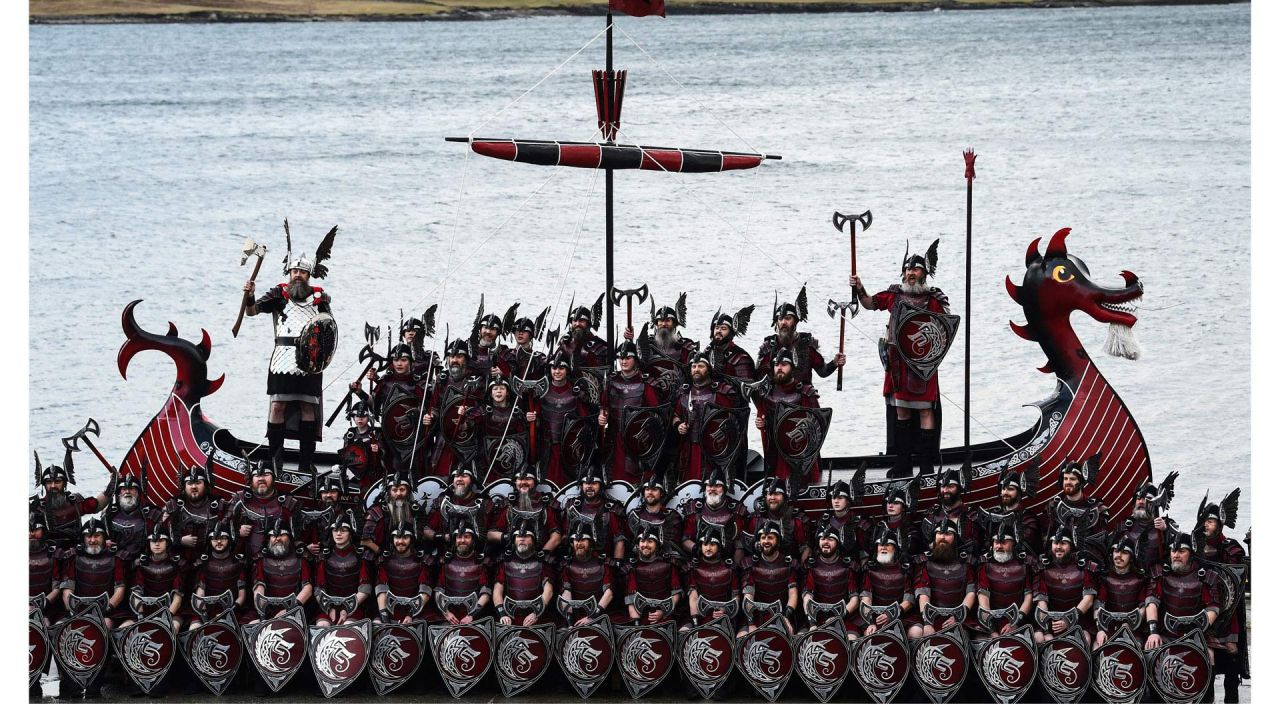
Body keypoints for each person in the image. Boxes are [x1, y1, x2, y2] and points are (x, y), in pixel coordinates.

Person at [851, 240, 950, 477]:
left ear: (924, 273)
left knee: (926, 410)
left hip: (922, 365)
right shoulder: (894, 295)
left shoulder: (933, 299)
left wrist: (929, 354)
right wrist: (859, 287)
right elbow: (868, 303)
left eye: (915, 269)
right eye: (908, 269)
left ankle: (926, 466)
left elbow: (947, 327)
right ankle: (903, 463)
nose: (910, 273)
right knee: (901, 410)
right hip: (897, 364)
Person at [243, 226, 337, 473]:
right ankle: (276, 462)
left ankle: (306, 464)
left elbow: (328, 333)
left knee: (308, 408)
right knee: (277, 407)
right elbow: (251, 312)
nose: (298, 275)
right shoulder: (278, 295)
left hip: (311, 361)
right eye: (294, 271)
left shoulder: (320, 299)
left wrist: (321, 358)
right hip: (282, 360)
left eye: (302, 272)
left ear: (309, 275)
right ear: (289, 272)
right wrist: (250, 296)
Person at [1146, 532, 1222, 700]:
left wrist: (1197, 631)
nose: (1176, 555)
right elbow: (1151, 602)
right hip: (1166, 630)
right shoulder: (1161, 573)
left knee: (1208, 654)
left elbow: (1213, 607)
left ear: (1191, 552)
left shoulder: (1205, 575)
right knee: (1150, 649)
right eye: (1173, 551)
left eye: (1181, 551)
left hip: (1198, 630)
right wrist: (1153, 631)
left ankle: (1204, 702)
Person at [58, 518, 126, 698]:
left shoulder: (115, 559)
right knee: (60, 630)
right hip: (77, 610)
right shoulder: (74, 558)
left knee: (104, 628)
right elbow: (67, 589)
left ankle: (96, 683)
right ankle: (68, 684)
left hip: (106, 612)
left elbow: (120, 589)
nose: (92, 540)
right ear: (83, 538)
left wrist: (108, 607)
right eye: (88, 536)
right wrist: (72, 609)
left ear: (104, 538)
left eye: (97, 536)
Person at [1195, 488, 1248, 704]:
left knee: (1231, 667)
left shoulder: (1231, 548)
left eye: (1211, 521)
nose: (1207, 525)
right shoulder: (1195, 548)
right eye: (1204, 521)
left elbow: (1234, 580)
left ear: (1220, 523)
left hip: (1230, 615)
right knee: (1207, 664)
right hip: (1206, 612)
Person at [752, 349, 824, 485]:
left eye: (784, 364)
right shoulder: (767, 394)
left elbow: (818, 423)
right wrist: (762, 424)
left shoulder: (805, 392)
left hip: (800, 452)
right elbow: (763, 418)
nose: (779, 368)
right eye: (776, 365)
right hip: (775, 451)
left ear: (792, 367)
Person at [672, 350, 745, 482]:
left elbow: (734, 420)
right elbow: (675, 415)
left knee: (711, 482)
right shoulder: (684, 392)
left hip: (713, 450)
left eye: (701, 366)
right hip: (688, 449)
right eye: (694, 367)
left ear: (708, 369)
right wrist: (678, 425)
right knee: (688, 484)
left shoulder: (722, 392)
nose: (696, 369)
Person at [529, 350, 595, 486]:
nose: (557, 371)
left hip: (569, 449)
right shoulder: (542, 391)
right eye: (554, 368)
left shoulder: (576, 392)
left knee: (567, 483)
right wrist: (530, 417)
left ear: (567, 370)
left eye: (561, 368)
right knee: (546, 482)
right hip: (546, 447)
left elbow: (584, 420)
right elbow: (534, 414)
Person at [600, 340, 663, 483]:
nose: (624, 361)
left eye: (628, 358)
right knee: (611, 478)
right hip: (614, 438)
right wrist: (602, 416)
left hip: (637, 440)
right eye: (621, 358)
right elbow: (604, 406)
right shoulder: (610, 381)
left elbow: (656, 414)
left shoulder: (646, 383)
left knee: (634, 478)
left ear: (636, 359)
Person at [755, 287, 845, 386]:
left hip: (803, 398)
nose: (783, 322)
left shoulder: (808, 344)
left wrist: (834, 363)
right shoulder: (768, 347)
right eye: (780, 319)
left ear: (796, 321)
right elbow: (758, 379)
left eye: (788, 318)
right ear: (776, 322)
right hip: (775, 399)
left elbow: (822, 372)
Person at [365, 343, 429, 474]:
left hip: (413, 439)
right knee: (390, 469)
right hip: (389, 436)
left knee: (415, 471)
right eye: (396, 360)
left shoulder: (419, 384)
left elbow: (429, 408)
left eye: (403, 360)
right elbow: (374, 408)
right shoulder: (385, 382)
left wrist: (428, 416)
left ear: (410, 362)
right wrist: (359, 391)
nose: (399, 363)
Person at [425, 340, 485, 477]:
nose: (454, 360)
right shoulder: (442, 380)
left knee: (467, 476)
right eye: (451, 356)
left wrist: (469, 415)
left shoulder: (476, 380)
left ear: (466, 358)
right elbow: (434, 406)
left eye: (459, 356)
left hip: (468, 438)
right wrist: (431, 416)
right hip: (445, 437)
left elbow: (484, 408)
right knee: (440, 475)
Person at [30, 450, 108, 550]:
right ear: (44, 485)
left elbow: (98, 505)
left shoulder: (74, 502)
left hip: (75, 553)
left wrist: (113, 483)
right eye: (49, 482)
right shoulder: (35, 507)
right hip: (48, 556)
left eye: (57, 481)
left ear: (65, 484)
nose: (53, 486)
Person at [1039, 456, 1111, 564]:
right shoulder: (1053, 507)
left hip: (1086, 566)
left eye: (1072, 479)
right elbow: (1047, 540)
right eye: (1065, 478)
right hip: (1058, 564)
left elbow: (1099, 544)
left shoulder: (1096, 508)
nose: (1068, 482)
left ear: (1081, 482)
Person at [858, 523, 923, 639]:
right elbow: (866, 599)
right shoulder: (869, 570)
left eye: (887, 545)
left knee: (916, 632)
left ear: (895, 548)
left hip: (902, 616)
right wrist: (871, 622)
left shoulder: (904, 569)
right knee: (870, 634)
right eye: (880, 545)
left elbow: (909, 600)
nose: (883, 547)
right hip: (875, 617)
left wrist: (891, 613)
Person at [1033, 527, 1096, 643]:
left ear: (1072, 545)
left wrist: (1069, 620)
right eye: (1055, 543)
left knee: (1084, 639)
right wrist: (1046, 627)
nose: (1058, 547)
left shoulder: (1084, 567)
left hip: (1078, 621)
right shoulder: (1043, 567)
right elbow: (1042, 600)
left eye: (1063, 543)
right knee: (1040, 638)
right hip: (1051, 621)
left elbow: (1088, 600)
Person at [914, 518, 975, 637]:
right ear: (934, 537)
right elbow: (923, 593)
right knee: (916, 634)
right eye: (939, 533)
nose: (943, 537)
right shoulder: (924, 562)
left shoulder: (966, 562)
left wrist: (958, 616)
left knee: (961, 636)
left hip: (959, 616)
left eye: (948, 534)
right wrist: (927, 622)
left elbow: (971, 593)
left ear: (955, 538)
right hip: (929, 616)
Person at [974, 521, 1034, 639]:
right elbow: (983, 598)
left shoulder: (1025, 564)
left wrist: (1016, 623)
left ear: (1013, 543)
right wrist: (991, 629)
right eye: (996, 542)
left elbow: (1028, 597)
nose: (999, 546)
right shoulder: (985, 564)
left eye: (1003, 542)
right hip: (990, 622)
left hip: (1019, 621)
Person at [228, 459, 298, 560]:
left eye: (265, 475)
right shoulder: (239, 499)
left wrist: (305, 546)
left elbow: (298, 534)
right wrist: (236, 530)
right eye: (257, 476)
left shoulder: (288, 502)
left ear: (273, 478)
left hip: (280, 561)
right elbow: (220, 528)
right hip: (246, 559)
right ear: (251, 480)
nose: (261, 479)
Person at [311, 511, 371, 626]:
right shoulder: (324, 556)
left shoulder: (360, 556)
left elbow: (365, 589)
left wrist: (347, 609)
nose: (338, 534)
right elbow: (319, 589)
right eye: (335, 530)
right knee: (322, 627)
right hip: (327, 606)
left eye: (343, 530)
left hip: (354, 607)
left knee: (348, 627)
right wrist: (329, 608)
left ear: (350, 533)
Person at [1110, 474, 1178, 573]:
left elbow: (1180, 553)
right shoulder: (1123, 526)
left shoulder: (1167, 524)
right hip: (1130, 577)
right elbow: (1110, 553)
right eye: (1138, 498)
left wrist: (1166, 530)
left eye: (1146, 498)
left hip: (1156, 579)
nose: (1141, 502)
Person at [249, 519, 312, 625]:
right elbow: (259, 589)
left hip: (296, 611)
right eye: (273, 536)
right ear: (269, 539)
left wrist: (290, 610)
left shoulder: (301, 558)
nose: (277, 539)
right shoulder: (261, 559)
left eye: (282, 535)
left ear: (289, 537)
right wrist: (262, 614)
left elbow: (307, 588)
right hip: (268, 612)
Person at [1093, 535, 1151, 650]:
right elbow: (1098, 605)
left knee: (1137, 650)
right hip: (1108, 629)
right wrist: (1100, 630)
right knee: (1097, 648)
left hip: (1133, 631)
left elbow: (1143, 606)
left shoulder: (1140, 579)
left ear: (1131, 556)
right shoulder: (1104, 577)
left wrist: (1130, 625)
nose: (1118, 556)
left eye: (1124, 552)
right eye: (1116, 551)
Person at [802, 523, 860, 638]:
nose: (825, 542)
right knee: (802, 639)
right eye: (822, 539)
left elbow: (854, 600)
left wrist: (838, 618)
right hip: (816, 619)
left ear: (838, 543)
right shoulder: (811, 566)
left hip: (843, 619)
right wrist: (812, 622)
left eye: (830, 539)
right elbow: (807, 596)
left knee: (851, 639)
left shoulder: (847, 566)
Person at [740, 520, 798, 635]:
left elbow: (793, 593)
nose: (766, 541)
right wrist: (751, 623)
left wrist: (786, 617)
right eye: (763, 538)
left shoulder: (789, 564)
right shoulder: (750, 564)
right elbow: (748, 595)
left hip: (781, 615)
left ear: (778, 540)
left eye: (770, 538)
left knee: (787, 635)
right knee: (742, 637)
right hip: (754, 616)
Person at [493, 523, 556, 627]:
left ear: (533, 540)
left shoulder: (543, 562)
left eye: (526, 536)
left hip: (537, 618)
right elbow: (497, 591)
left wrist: (536, 613)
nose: (522, 539)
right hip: (509, 617)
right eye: (518, 536)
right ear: (514, 540)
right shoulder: (505, 562)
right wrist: (502, 614)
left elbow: (548, 591)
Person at [560, 465, 628, 562]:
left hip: (604, 563)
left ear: (601, 485)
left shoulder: (611, 509)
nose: (589, 487)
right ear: (581, 485)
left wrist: (617, 564)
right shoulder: (572, 506)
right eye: (586, 483)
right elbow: (564, 536)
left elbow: (619, 540)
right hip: (575, 561)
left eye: (594, 483)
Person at [489, 465, 563, 555]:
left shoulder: (546, 504)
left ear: (535, 481)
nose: (523, 482)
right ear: (515, 482)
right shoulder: (508, 504)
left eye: (528, 479)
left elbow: (556, 536)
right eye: (519, 479)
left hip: (541, 557)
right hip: (512, 557)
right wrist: (508, 537)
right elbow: (490, 534)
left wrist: (543, 554)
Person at [161, 464, 224, 566]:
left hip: (212, 561)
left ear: (206, 485)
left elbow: (229, 531)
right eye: (190, 483)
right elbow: (159, 531)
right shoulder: (173, 505)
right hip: (180, 561)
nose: (194, 486)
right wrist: (179, 540)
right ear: (184, 486)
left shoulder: (219, 505)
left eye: (198, 483)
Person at [970, 465, 1041, 556]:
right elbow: (985, 543)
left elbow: (1027, 546)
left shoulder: (1028, 518)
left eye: (1010, 489)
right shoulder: (992, 514)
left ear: (1019, 492)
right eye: (1003, 489)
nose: (1005, 493)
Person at [680, 471, 748, 565]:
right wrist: (699, 550)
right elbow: (685, 539)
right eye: (709, 486)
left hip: (727, 564)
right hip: (699, 563)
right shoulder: (695, 509)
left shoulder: (735, 510)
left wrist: (735, 568)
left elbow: (739, 545)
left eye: (717, 486)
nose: (712, 489)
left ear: (724, 488)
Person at [471, 376, 531, 483]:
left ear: (507, 392)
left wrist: (530, 419)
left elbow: (524, 438)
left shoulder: (516, 412)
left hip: (511, 459)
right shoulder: (482, 410)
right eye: (495, 389)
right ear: (490, 393)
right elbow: (467, 425)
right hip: (488, 460)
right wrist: (464, 414)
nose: (498, 391)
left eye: (502, 388)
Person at [125, 526, 184, 634]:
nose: (157, 544)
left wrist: (167, 617)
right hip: (143, 612)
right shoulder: (141, 564)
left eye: (161, 541)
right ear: (149, 543)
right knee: (124, 629)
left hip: (171, 613)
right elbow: (136, 594)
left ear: (167, 542)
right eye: (153, 541)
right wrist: (141, 617)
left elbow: (177, 598)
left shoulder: (176, 565)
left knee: (172, 629)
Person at [558, 521, 619, 625]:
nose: (579, 543)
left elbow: (609, 593)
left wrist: (592, 617)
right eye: (576, 540)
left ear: (591, 542)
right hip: (575, 617)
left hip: (599, 617)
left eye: (583, 540)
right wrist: (571, 623)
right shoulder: (566, 565)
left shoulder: (603, 563)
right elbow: (566, 593)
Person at [190, 520, 248, 627]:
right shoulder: (204, 563)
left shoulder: (238, 562)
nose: (219, 542)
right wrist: (204, 615)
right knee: (194, 629)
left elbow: (242, 595)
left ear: (229, 539)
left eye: (223, 538)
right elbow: (200, 593)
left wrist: (229, 611)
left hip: (234, 610)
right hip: (206, 611)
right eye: (215, 539)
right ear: (210, 541)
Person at [435, 520, 493, 625]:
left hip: (475, 619)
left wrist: (471, 615)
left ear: (473, 540)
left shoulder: (481, 562)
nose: (462, 540)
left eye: (467, 537)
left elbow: (486, 593)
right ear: (454, 540)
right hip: (449, 618)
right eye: (459, 537)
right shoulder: (446, 561)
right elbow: (439, 590)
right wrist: (446, 613)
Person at [102, 468, 162, 567]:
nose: (127, 492)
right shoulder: (109, 514)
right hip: (115, 562)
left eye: (131, 489)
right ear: (118, 494)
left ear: (138, 493)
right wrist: (103, 542)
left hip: (143, 562)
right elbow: (97, 538)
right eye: (124, 489)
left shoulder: (152, 514)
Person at [683, 525, 740, 630]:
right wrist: (696, 623)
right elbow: (693, 596)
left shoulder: (730, 568)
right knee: (684, 632)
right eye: (705, 544)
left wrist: (725, 610)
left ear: (719, 546)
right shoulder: (694, 567)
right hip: (699, 617)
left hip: (725, 617)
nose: (708, 548)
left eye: (712, 544)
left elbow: (735, 596)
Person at [375, 521, 433, 624]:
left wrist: (411, 614)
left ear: (411, 539)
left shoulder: (421, 561)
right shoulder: (385, 560)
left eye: (405, 537)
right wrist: (384, 615)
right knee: (377, 625)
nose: (400, 541)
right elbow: (381, 589)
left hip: (416, 611)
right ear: (392, 539)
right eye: (397, 537)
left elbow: (425, 592)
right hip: (389, 610)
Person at [424, 466, 492, 552]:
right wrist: (442, 537)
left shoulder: (485, 504)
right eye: (456, 476)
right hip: (446, 553)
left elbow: (492, 533)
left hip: (478, 554)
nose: (459, 479)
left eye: (464, 476)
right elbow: (426, 529)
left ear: (472, 481)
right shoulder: (442, 502)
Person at [624, 528, 683, 626]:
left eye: (650, 541)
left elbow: (676, 593)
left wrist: (663, 612)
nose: (645, 545)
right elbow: (630, 599)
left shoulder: (669, 564)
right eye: (642, 541)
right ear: (638, 545)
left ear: (657, 544)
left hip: (667, 616)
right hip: (642, 617)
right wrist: (636, 624)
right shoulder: (632, 567)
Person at [745, 476, 811, 564]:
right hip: (761, 567)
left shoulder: (796, 520)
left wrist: (802, 569)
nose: (772, 497)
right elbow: (745, 546)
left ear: (785, 496)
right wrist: (755, 546)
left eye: (777, 494)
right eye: (769, 494)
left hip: (788, 568)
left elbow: (805, 548)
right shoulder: (756, 518)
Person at [629, 294, 697, 375]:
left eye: (668, 320)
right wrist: (630, 340)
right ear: (656, 324)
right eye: (660, 321)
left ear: (674, 324)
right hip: (651, 385)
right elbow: (635, 363)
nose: (664, 324)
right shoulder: (647, 344)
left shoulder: (686, 346)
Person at [362, 472, 421, 558]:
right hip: (381, 555)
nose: (398, 493)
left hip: (409, 554)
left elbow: (423, 531)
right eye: (394, 490)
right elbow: (364, 540)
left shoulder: (415, 510)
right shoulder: (377, 511)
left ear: (408, 491)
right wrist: (380, 551)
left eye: (402, 489)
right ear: (389, 492)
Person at [625, 474, 684, 558]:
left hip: (664, 562)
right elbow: (629, 544)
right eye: (647, 489)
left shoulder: (672, 517)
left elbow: (674, 547)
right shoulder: (634, 515)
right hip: (637, 562)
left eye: (654, 489)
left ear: (661, 493)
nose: (650, 492)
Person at [338, 400, 382, 492]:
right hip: (353, 471)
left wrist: (379, 450)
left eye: (363, 416)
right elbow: (346, 456)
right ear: (353, 418)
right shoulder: (350, 434)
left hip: (372, 472)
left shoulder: (376, 434)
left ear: (369, 418)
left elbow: (385, 455)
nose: (360, 419)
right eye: (357, 416)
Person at [706, 305, 757, 384]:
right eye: (716, 327)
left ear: (731, 333)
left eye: (723, 328)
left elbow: (746, 386)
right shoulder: (707, 351)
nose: (718, 331)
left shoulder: (740, 357)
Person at [558, 297, 609, 371]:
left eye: (581, 321)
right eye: (574, 321)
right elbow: (555, 364)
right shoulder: (565, 342)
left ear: (588, 324)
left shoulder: (599, 347)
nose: (577, 324)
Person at [503, 311, 550, 381]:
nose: (520, 333)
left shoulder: (539, 358)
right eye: (518, 330)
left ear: (530, 335)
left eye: (524, 331)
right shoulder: (505, 355)